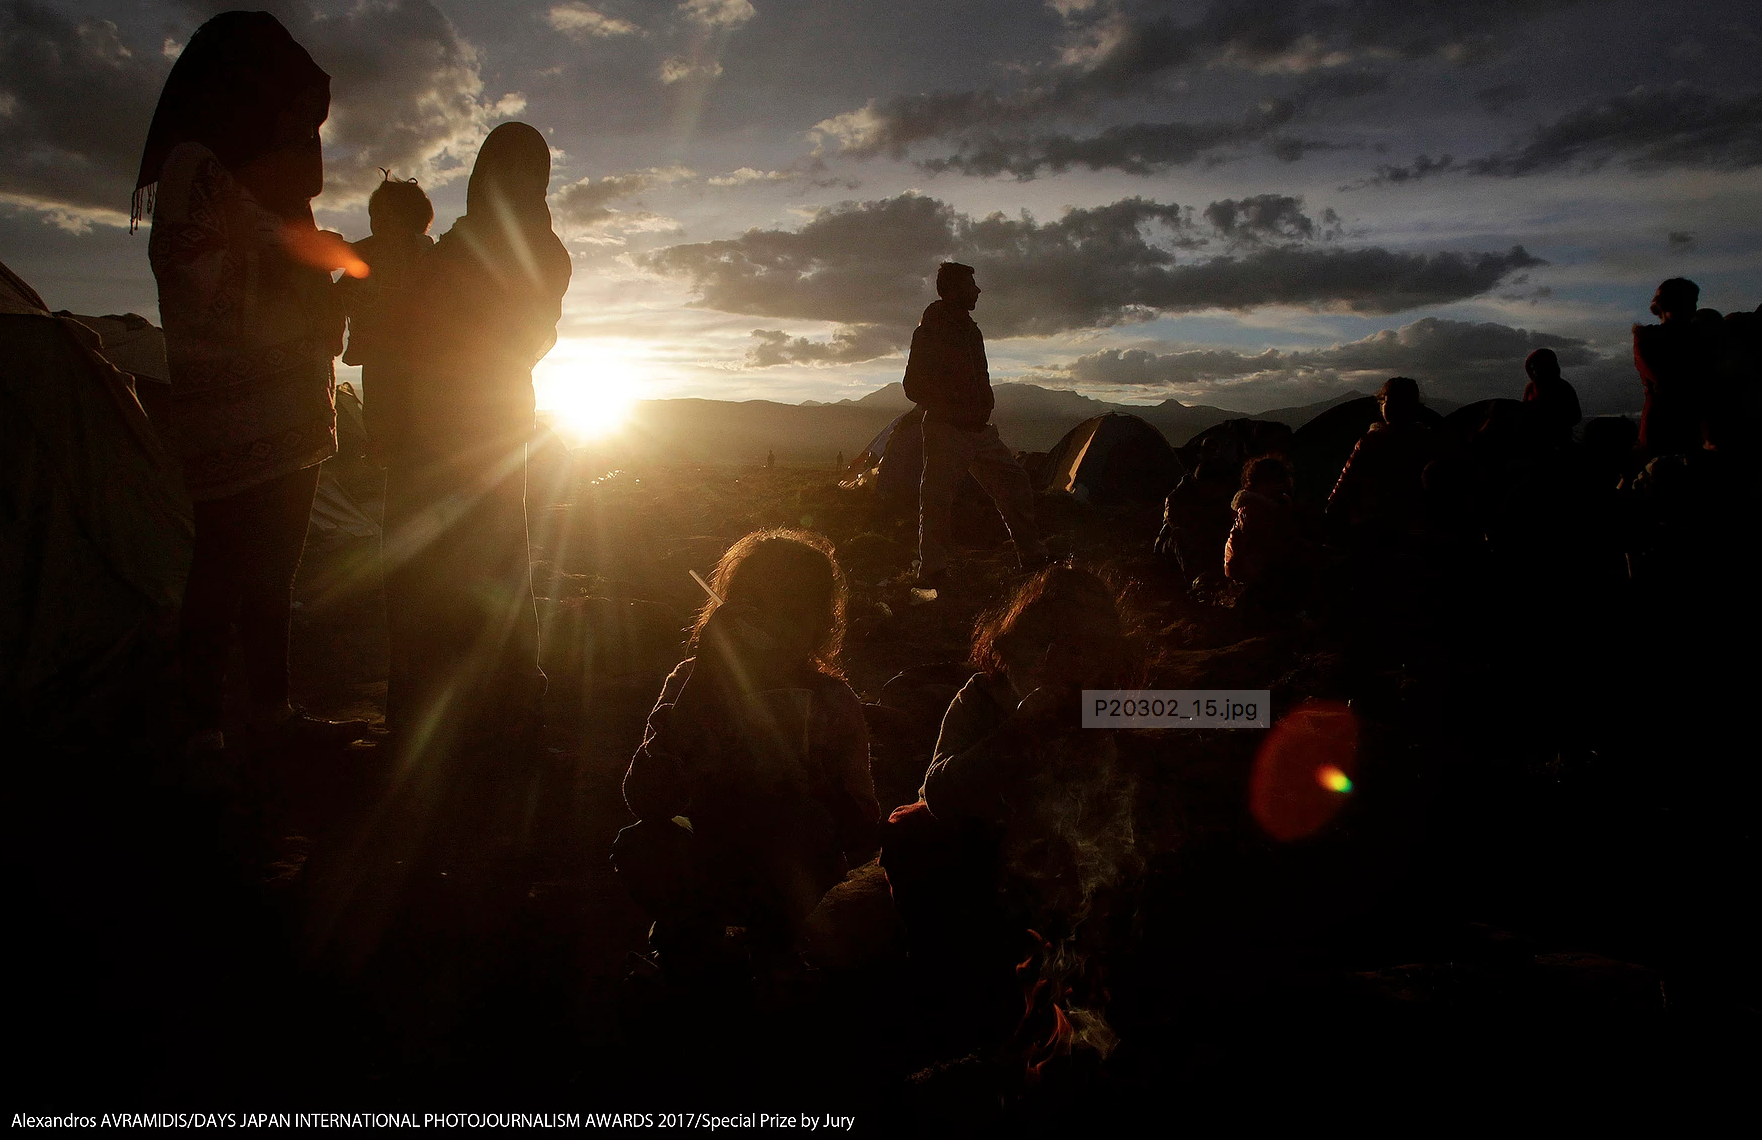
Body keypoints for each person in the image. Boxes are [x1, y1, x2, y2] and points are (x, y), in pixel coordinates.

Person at [137, 11, 365, 755]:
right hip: (230, 402)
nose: (305, 132)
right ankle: (200, 723)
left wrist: (319, 263)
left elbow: (286, 248)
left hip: (293, 398)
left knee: (276, 566)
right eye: (295, 112)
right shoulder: (196, 166)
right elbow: (191, 273)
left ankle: (271, 707)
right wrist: (295, 263)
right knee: (224, 560)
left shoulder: (267, 176)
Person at [614, 529, 878, 986]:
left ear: (817, 624)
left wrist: (809, 783)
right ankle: (688, 939)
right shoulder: (692, 682)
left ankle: (772, 943)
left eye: (792, 611)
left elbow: (860, 827)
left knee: (802, 826)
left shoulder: (832, 700)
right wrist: (702, 691)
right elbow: (644, 798)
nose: (772, 627)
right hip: (704, 842)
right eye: (757, 608)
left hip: (787, 855)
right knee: (641, 845)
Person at [384, 122, 571, 748]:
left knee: (441, 563)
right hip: (486, 420)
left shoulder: (460, 251)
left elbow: (431, 329)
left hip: (448, 420)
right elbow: (530, 339)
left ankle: (436, 712)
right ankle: (505, 706)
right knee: (491, 562)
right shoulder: (544, 254)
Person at [881, 566, 1137, 1025]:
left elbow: (1206, 711)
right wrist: (1016, 733)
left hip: (1068, 867)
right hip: (985, 855)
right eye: (1044, 648)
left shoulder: (1101, 703)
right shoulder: (983, 699)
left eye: (1082, 650)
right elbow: (939, 790)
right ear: (1014, 646)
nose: (1060, 665)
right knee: (911, 831)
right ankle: (939, 975)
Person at [903, 262, 1047, 589]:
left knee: (1014, 482)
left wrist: (984, 403)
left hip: (979, 429)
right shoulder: (931, 331)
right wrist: (951, 406)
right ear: (954, 290)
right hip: (947, 428)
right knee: (938, 501)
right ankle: (932, 572)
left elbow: (979, 375)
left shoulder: (971, 331)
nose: (978, 291)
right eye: (972, 285)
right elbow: (913, 386)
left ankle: (1032, 556)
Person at [337, 174, 434, 463]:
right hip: (384, 371)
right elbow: (336, 299)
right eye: (374, 218)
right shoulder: (369, 259)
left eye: (384, 218)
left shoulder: (429, 258)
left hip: (417, 376)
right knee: (392, 457)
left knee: (408, 459)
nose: (376, 226)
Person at [1327, 377, 1438, 543]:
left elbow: (1347, 480)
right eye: (1390, 402)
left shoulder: (1373, 441)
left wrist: (1333, 508)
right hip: (1412, 521)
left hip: (1375, 521)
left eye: (1400, 403)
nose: (1395, 409)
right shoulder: (1427, 440)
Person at [1633, 278, 1714, 457]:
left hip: (1691, 421)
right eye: (1687, 302)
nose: (1692, 307)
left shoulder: (1699, 336)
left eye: (1694, 302)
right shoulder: (1647, 337)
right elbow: (1664, 380)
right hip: (1663, 422)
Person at [1224, 455, 1303, 601]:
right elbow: (1272, 546)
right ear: (1259, 484)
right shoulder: (1253, 511)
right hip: (1251, 575)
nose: (1280, 486)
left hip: (1257, 569)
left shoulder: (1275, 507)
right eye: (1274, 481)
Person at [1521, 347, 1582, 448]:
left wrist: (1554, 423)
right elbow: (1524, 412)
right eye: (1532, 368)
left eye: (1538, 367)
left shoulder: (1563, 387)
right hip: (1534, 441)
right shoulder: (1530, 388)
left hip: (1560, 442)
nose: (1535, 371)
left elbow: (1576, 416)